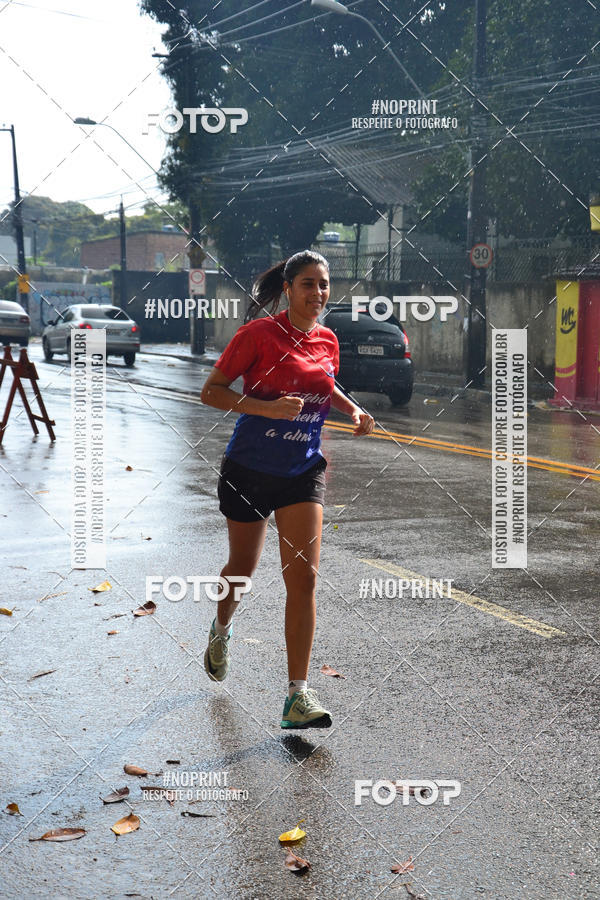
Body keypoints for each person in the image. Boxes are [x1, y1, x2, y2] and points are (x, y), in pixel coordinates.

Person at [199, 250, 374, 729]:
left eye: (323, 284)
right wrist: (265, 408)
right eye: (307, 284)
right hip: (249, 468)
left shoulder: (328, 339)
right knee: (242, 569)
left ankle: (297, 695)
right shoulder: (256, 335)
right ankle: (221, 628)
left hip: (302, 470)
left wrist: (352, 410)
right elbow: (211, 391)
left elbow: (327, 385)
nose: (317, 293)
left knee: (304, 578)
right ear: (288, 288)